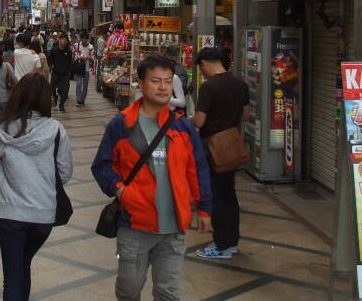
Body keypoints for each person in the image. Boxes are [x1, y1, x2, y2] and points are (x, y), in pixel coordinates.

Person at [92, 54, 212, 301]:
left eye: (168, 81)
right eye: (156, 81)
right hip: (135, 224)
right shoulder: (122, 124)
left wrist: (204, 209)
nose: (163, 87)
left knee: (168, 292)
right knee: (129, 291)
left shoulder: (183, 127)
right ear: (141, 84)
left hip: (174, 227)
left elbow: (197, 169)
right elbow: (102, 165)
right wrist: (120, 190)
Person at [0, 73, 73, 301]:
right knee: (23, 265)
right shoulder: (56, 130)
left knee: (13, 275)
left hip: (11, 216)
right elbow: (65, 173)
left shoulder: (2, 129)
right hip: (43, 216)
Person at [191, 47, 249, 260]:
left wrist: (184, 120)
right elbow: (246, 115)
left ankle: (221, 244)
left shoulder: (209, 88)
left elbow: (199, 121)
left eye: (201, 67)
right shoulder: (240, 85)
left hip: (213, 149)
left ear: (205, 63)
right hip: (233, 146)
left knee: (215, 195)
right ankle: (231, 242)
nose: (202, 71)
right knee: (229, 194)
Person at [47, 33, 72, 111]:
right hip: (55, 73)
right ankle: (55, 97)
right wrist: (51, 66)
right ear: (59, 40)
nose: (64, 41)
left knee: (64, 91)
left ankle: (61, 105)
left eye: (66, 40)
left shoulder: (68, 51)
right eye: (63, 39)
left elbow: (70, 62)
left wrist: (69, 72)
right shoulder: (54, 50)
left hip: (65, 74)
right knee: (52, 88)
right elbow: (50, 59)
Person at [72, 32, 95, 107]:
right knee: (78, 84)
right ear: (81, 39)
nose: (84, 40)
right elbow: (74, 55)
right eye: (83, 39)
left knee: (85, 85)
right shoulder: (77, 45)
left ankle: (82, 99)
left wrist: (88, 57)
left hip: (87, 69)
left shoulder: (91, 47)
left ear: (88, 39)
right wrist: (80, 57)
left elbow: (93, 58)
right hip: (79, 68)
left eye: (86, 39)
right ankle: (78, 99)